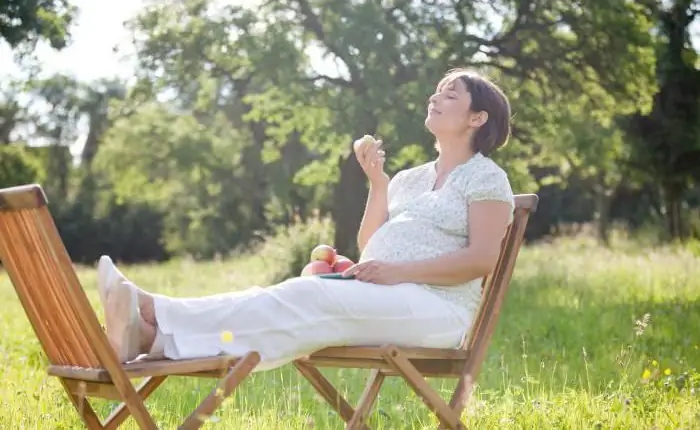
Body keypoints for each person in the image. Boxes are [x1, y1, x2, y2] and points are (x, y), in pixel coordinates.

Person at [98, 68, 515, 368]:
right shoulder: (410, 178)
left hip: (437, 311)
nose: (435, 97)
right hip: (389, 297)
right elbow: (371, 246)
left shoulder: (484, 177)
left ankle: (156, 313)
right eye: (437, 91)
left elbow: (482, 260)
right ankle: (158, 337)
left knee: (310, 296)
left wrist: (398, 272)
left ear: (477, 119)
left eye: (450, 94)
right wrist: (378, 184)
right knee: (297, 298)